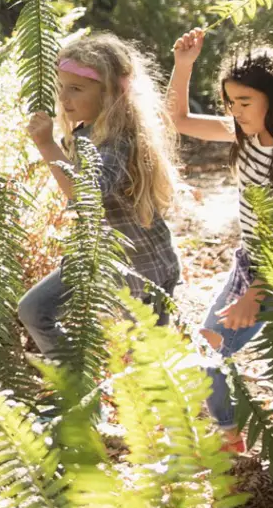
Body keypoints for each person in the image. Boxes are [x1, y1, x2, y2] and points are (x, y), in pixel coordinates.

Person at [167, 30, 273, 449]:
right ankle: (231, 434)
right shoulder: (243, 133)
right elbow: (180, 120)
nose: (235, 111)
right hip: (254, 263)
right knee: (208, 346)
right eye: (230, 102)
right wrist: (184, 65)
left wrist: (254, 296)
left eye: (245, 102)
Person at [17, 34, 182, 359]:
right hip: (100, 262)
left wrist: (47, 146)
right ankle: (80, 394)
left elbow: (89, 192)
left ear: (109, 93)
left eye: (76, 88)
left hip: (145, 272)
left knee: (147, 372)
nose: (63, 97)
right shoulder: (87, 131)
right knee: (35, 310)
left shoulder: (117, 138)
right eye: (61, 85)